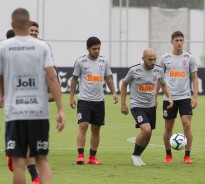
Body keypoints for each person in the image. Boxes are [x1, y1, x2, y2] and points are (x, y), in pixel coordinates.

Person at [0, 8, 65, 184]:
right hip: (39, 112)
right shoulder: (42, 46)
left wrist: (2, 94)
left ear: (13, 26)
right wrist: (60, 109)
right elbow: (52, 77)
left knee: (18, 163)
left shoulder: (3, 47)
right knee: (42, 159)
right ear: (28, 24)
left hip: (15, 112)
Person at [70, 36, 118, 165]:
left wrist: (113, 92)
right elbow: (74, 79)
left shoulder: (104, 61)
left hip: (99, 101)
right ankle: (80, 155)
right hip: (84, 100)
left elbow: (108, 78)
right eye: (94, 49)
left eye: (99, 48)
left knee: (96, 129)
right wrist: (71, 97)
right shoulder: (80, 62)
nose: (97, 51)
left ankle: (92, 158)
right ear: (88, 48)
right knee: (83, 125)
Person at [121, 48, 173, 167]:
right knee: (146, 129)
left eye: (155, 59)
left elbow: (164, 85)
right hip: (137, 106)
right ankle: (135, 155)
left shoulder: (158, 70)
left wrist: (169, 97)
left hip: (151, 106)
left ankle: (138, 155)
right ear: (143, 58)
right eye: (150, 59)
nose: (153, 62)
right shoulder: (134, 70)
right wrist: (123, 104)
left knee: (149, 134)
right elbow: (124, 84)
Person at [156, 31, 198, 164]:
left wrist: (195, 96)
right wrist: (155, 97)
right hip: (169, 98)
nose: (179, 43)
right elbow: (159, 79)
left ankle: (187, 155)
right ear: (172, 42)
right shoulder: (164, 58)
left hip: (185, 97)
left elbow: (195, 77)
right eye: (177, 40)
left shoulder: (189, 57)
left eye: (181, 40)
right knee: (168, 127)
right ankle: (168, 155)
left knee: (187, 124)